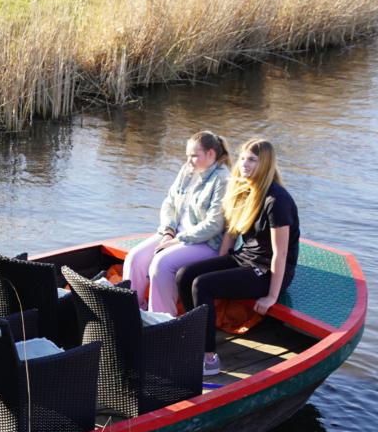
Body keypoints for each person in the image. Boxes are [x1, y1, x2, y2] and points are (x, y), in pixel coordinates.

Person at [171, 139, 300, 377]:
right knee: (185, 275)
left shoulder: (276, 200)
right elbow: (231, 232)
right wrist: (218, 263)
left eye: (252, 159)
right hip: (245, 259)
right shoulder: (245, 190)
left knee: (203, 284)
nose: (244, 164)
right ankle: (194, 337)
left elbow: (281, 254)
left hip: (266, 270)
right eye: (242, 158)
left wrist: (272, 295)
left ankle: (208, 358)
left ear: (266, 164)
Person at [121, 131, 231, 313]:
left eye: (194, 156)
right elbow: (169, 202)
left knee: (161, 263)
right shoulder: (187, 171)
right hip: (175, 235)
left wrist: (178, 240)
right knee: (135, 258)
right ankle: (131, 312)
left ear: (211, 154)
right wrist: (168, 231)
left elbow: (214, 224)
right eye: (188, 156)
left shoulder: (222, 179)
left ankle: (162, 320)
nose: (189, 161)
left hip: (205, 243)